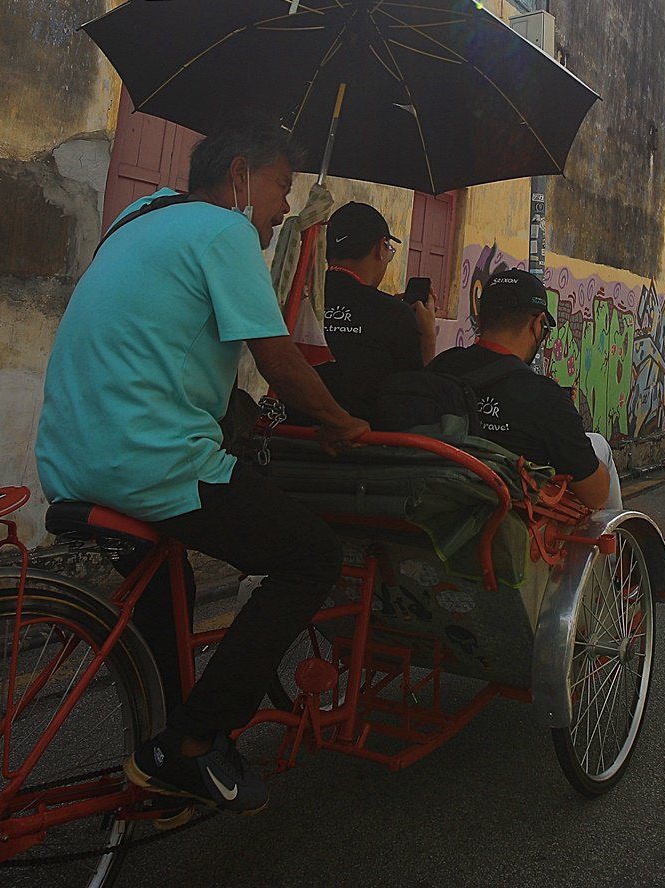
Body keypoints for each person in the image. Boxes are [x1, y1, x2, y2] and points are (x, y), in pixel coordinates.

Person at [34, 125, 369, 817]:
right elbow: (279, 360)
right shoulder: (225, 232)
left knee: (170, 583)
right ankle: (192, 745)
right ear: (241, 176)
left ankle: (164, 738)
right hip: (152, 459)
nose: (285, 207)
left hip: (70, 461)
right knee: (311, 555)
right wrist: (342, 424)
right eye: (282, 187)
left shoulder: (139, 216)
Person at [430, 267, 617, 510]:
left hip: (438, 504)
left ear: (480, 316)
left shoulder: (440, 367)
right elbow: (596, 495)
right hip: (509, 523)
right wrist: (567, 425)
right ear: (537, 324)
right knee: (599, 445)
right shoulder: (546, 398)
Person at [317, 200, 436, 417]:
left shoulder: (300, 297)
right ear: (381, 248)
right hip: (366, 441)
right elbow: (413, 399)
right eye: (389, 250)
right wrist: (427, 340)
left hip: (290, 430)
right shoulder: (394, 315)